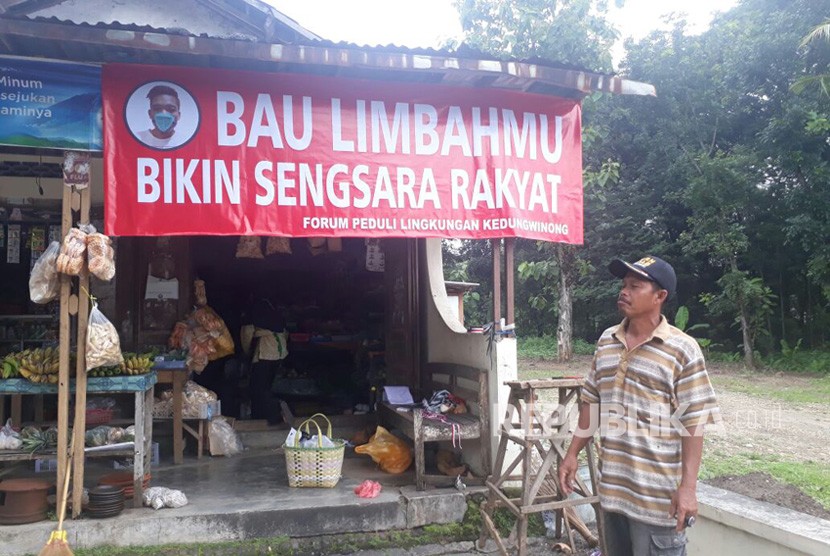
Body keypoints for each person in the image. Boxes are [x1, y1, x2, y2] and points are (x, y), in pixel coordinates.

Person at [558, 255, 720, 556]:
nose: (624, 291)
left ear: (660, 297)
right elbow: (592, 401)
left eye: (635, 286)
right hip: (612, 493)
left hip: (657, 499)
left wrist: (688, 488)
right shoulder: (608, 340)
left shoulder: (682, 349)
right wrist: (571, 454)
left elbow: (694, 421)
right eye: (623, 285)